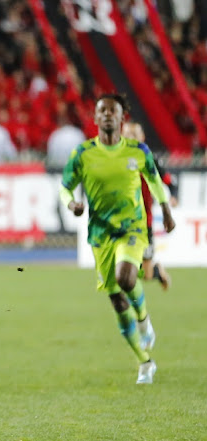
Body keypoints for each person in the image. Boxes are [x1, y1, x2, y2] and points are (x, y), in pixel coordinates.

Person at [60, 94, 175, 385]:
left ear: (122, 118)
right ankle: (144, 362)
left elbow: (155, 182)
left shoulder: (138, 151)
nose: (109, 115)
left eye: (114, 111)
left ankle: (144, 317)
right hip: (100, 235)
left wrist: (166, 211)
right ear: (96, 119)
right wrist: (71, 203)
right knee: (115, 298)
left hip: (132, 229)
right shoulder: (83, 154)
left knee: (126, 278)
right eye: (103, 111)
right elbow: (64, 188)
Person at [121, 121, 179, 289]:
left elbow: (170, 182)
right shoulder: (117, 161)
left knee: (145, 274)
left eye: (134, 137)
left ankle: (156, 270)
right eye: (127, 137)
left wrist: (173, 197)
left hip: (144, 223)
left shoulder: (149, 160)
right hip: (122, 221)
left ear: (142, 138)